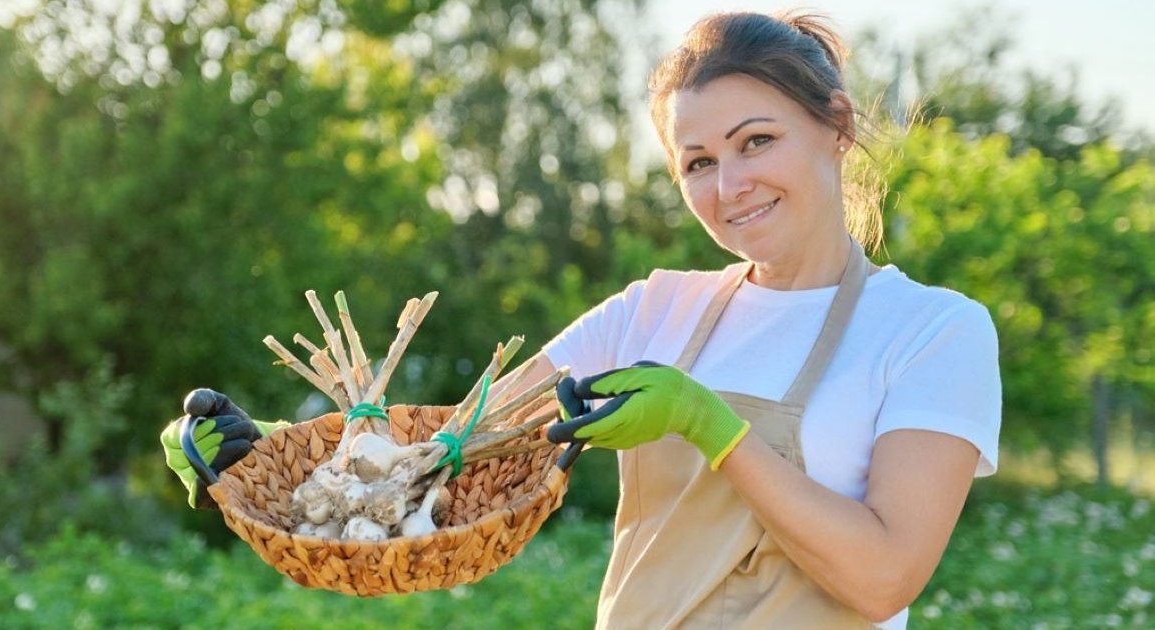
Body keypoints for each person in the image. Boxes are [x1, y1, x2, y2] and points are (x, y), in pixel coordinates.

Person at [161, 10, 1000, 629]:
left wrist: (711, 425)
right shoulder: (654, 309)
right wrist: (273, 460)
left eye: (756, 142)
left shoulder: (932, 331)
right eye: (698, 162)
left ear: (837, 130)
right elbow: (448, 468)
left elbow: (886, 575)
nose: (728, 185)